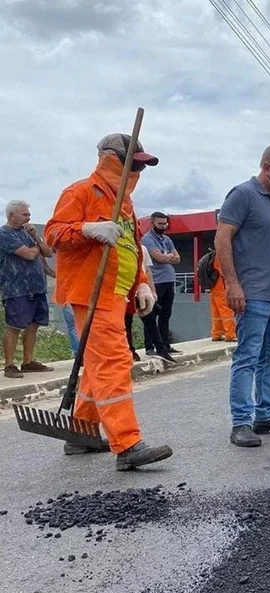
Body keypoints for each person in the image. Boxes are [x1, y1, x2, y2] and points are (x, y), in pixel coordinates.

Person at [45, 132, 173, 468]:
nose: (139, 173)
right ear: (112, 159)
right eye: (135, 165)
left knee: (96, 369)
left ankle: (80, 433)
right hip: (91, 294)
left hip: (118, 295)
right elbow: (54, 233)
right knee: (114, 362)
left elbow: (130, 248)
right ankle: (127, 445)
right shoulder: (82, 192)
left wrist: (143, 284)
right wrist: (87, 229)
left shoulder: (126, 205)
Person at [214, 137, 270, 448]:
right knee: (248, 358)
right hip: (252, 294)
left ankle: (265, 414)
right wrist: (232, 283)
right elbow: (222, 238)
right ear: (267, 167)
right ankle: (242, 422)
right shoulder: (242, 195)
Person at [0, 200, 54, 378]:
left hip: (37, 287)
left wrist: (35, 238)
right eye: (25, 214)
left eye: (29, 214)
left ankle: (28, 362)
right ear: (12, 215)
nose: (28, 217)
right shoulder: (4, 234)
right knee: (14, 326)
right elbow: (30, 255)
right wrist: (36, 247)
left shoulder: (28, 234)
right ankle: (9, 365)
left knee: (34, 325)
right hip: (16, 288)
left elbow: (48, 252)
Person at [140, 211, 180, 356]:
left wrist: (166, 256)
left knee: (165, 315)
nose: (163, 226)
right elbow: (159, 258)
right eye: (160, 224)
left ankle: (165, 345)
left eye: (165, 224)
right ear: (152, 223)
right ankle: (150, 347)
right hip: (156, 281)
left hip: (169, 280)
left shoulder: (167, 240)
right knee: (151, 314)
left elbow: (178, 258)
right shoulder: (147, 239)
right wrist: (167, 256)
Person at [125, 245, 168, 363]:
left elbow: (147, 271)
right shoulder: (123, 246)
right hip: (127, 287)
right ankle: (130, 351)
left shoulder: (142, 248)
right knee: (127, 322)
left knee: (150, 320)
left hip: (141, 287)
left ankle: (161, 349)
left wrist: (152, 290)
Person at [208, 253, 236, 342]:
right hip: (222, 287)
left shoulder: (214, 256)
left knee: (216, 312)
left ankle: (217, 333)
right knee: (226, 311)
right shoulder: (222, 256)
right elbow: (224, 272)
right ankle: (230, 334)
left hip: (214, 287)